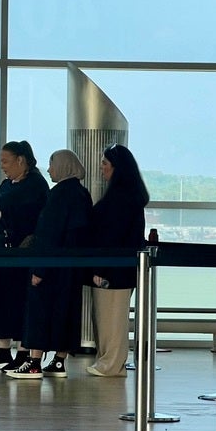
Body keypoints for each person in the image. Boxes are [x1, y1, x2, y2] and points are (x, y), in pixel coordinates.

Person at [8, 149, 92, 380]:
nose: (49, 169)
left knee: (40, 311)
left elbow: (48, 234)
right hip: (71, 269)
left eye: (52, 164)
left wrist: (39, 269)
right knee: (66, 312)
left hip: (51, 266)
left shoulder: (59, 195)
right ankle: (58, 361)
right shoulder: (82, 194)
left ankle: (34, 362)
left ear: (63, 166)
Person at [0, 140, 49, 373]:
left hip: (22, 254)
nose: (3, 166)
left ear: (20, 160)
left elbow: (32, 218)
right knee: (2, 299)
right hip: (2, 253)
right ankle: (3, 348)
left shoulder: (36, 185)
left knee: (21, 301)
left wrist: (2, 214)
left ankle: (23, 351)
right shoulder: (7, 185)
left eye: (5, 161)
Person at [86, 144, 149, 377]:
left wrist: (100, 268)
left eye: (105, 164)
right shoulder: (126, 196)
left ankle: (111, 364)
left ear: (116, 167)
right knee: (106, 317)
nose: (101, 168)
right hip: (117, 267)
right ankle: (108, 361)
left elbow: (111, 237)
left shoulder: (120, 199)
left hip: (114, 269)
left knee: (112, 318)